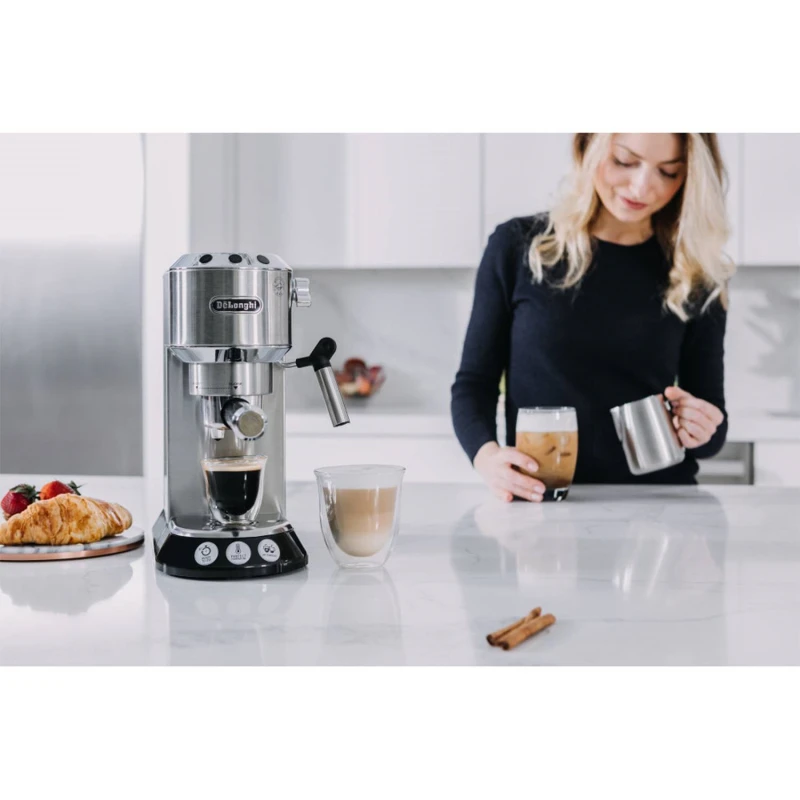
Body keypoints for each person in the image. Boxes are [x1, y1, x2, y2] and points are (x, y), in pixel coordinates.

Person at [451, 133, 733, 502]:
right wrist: (487, 458)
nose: (642, 186)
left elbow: (712, 423)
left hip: (659, 506)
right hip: (543, 500)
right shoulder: (519, 246)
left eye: (668, 172)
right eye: (624, 161)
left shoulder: (695, 272)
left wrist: (702, 429)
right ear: (586, 148)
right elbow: (474, 383)